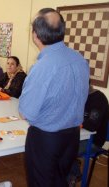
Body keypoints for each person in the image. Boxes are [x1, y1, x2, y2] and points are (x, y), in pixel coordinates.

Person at [18, 8, 89, 187]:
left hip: (47, 139)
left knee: (41, 183)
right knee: (60, 181)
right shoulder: (79, 59)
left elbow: (26, 113)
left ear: (35, 35)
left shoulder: (42, 67)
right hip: (72, 136)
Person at [68, 84, 109, 186]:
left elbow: (92, 125)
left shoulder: (98, 99)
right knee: (56, 145)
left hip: (94, 140)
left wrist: (76, 123)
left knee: (64, 150)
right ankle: (73, 168)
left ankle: (74, 175)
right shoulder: (79, 96)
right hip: (79, 137)